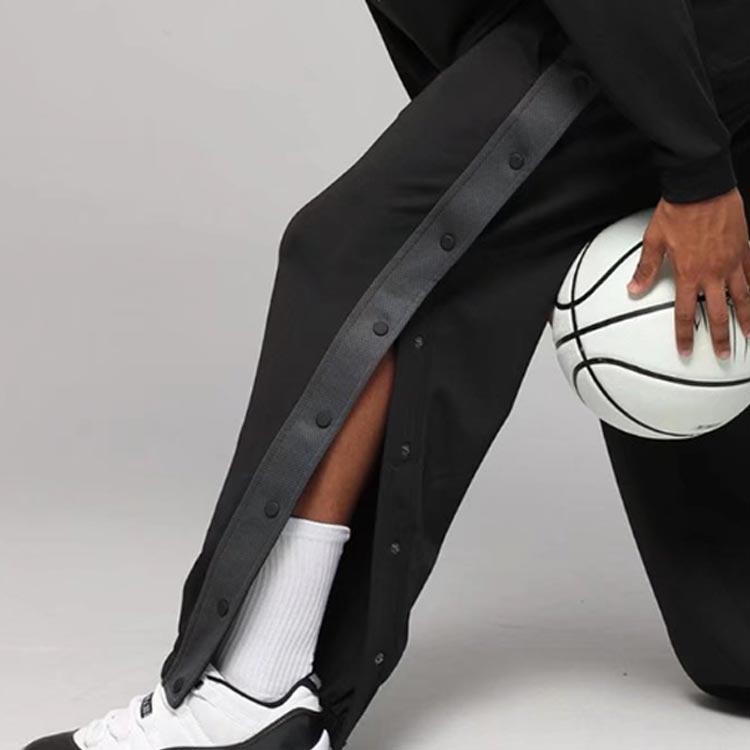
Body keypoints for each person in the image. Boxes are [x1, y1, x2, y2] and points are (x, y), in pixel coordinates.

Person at [24, 0, 750, 749]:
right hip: (629, 36)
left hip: (652, 28)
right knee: (730, 627)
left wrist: (697, 169)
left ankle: (249, 692)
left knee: (353, 255)